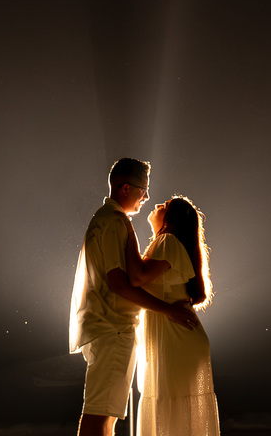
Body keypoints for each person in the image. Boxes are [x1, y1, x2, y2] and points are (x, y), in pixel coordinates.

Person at [69, 158, 200, 436]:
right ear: (126, 188)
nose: (148, 197)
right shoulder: (115, 222)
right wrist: (169, 310)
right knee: (100, 417)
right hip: (112, 327)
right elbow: (121, 284)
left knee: (105, 416)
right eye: (144, 189)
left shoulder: (106, 219)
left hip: (105, 327)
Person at [127, 195, 220, 436]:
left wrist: (126, 231)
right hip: (179, 334)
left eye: (165, 206)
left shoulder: (167, 241)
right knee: (177, 413)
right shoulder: (166, 243)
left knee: (169, 409)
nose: (158, 205)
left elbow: (136, 278)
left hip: (175, 335)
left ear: (171, 219)